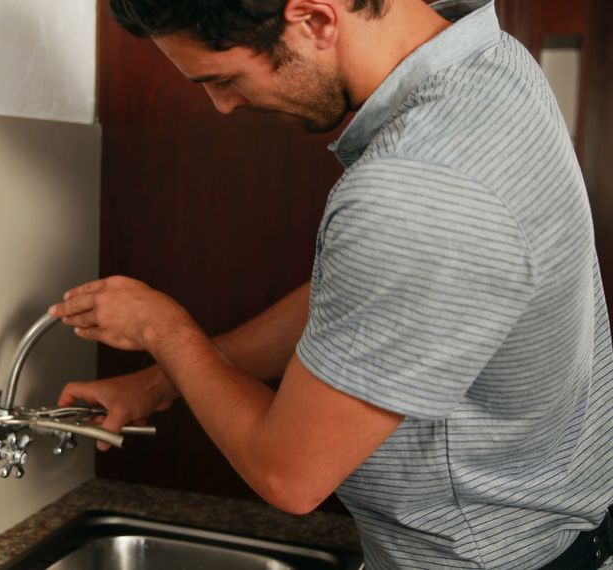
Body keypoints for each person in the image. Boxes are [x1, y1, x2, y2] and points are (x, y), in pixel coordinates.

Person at [46, 0, 613, 568]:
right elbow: (367, 310)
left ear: (315, 19)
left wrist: (160, 328)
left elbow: (289, 475)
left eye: (222, 78)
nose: (222, 106)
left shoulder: (414, 190)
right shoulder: (488, 61)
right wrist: (157, 383)